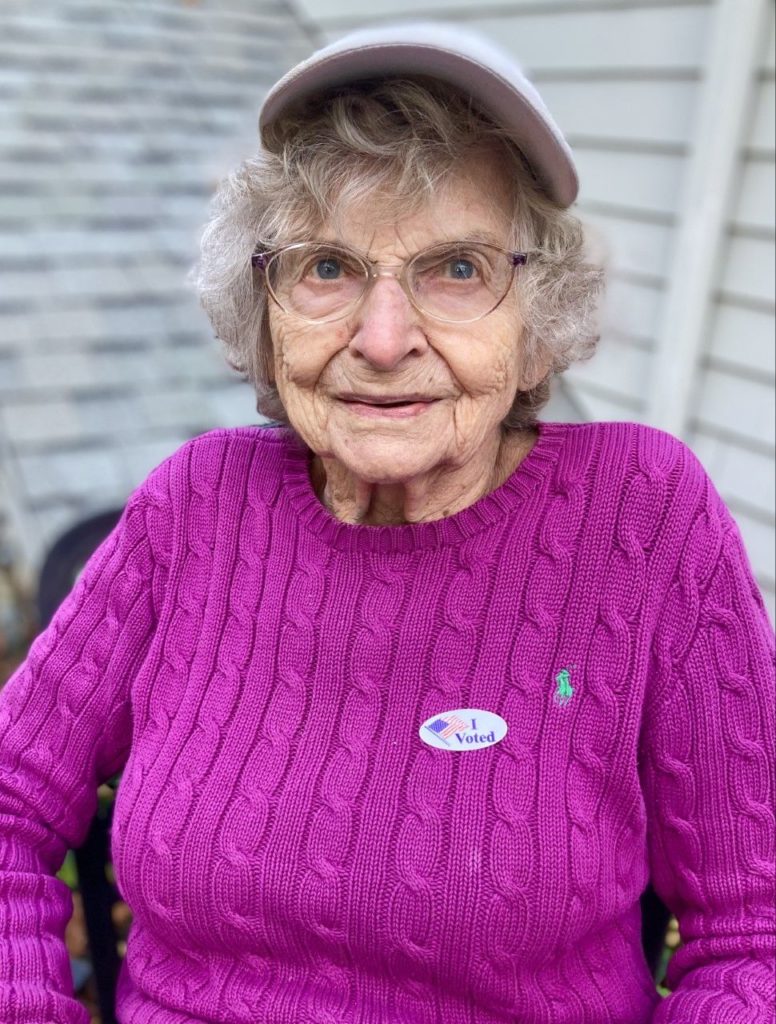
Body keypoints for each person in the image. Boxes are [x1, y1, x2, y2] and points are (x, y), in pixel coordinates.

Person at [0, 22, 773, 1024]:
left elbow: (754, 932)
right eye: (327, 267)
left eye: (457, 268)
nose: (381, 338)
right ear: (265, 308)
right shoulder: (191, 508)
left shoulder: (642, 517)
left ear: (536, 327)